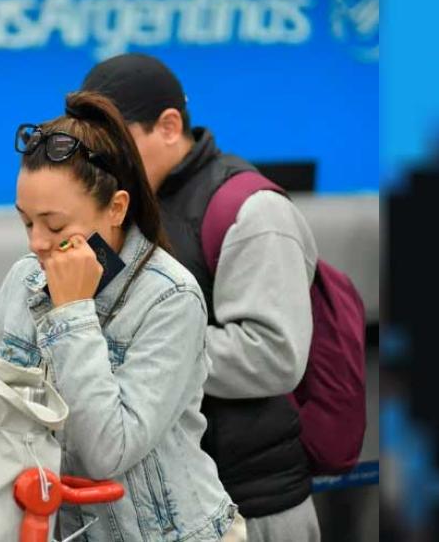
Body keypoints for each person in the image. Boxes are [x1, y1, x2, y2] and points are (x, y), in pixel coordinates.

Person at [0, 91, 244, 541]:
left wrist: (72, 312)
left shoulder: (170, 298)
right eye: (26, 222)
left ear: (116, 209)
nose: (36, 243)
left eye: (54, 226)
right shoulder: (25, 279)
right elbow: (8, 425)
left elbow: (103, 454)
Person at [80, 53, 321, 541]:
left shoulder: (252, 212)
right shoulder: (124, 209)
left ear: (169, 126)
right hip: (167, 503)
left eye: (116, 146)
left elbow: (275, 354)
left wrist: (146, 350)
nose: (106, 164)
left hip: (253, 504)